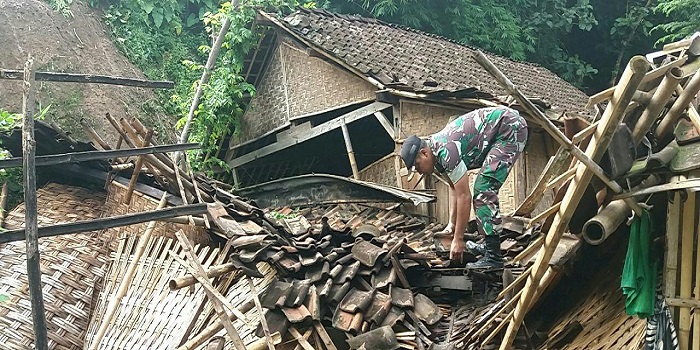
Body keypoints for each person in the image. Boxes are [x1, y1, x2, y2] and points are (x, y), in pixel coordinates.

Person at [400, 106, 528, 269]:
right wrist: (451, 226)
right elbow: (454, 189)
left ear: (424, 153)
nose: (418, 171)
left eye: (417, 166)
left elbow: (464, 196)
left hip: (509, 128)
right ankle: (490, 248)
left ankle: (494, 257)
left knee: (483, 188)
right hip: (499, 133)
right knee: (482, 187)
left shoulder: (445, 150)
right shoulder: (437, 157)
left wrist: (458, 239)